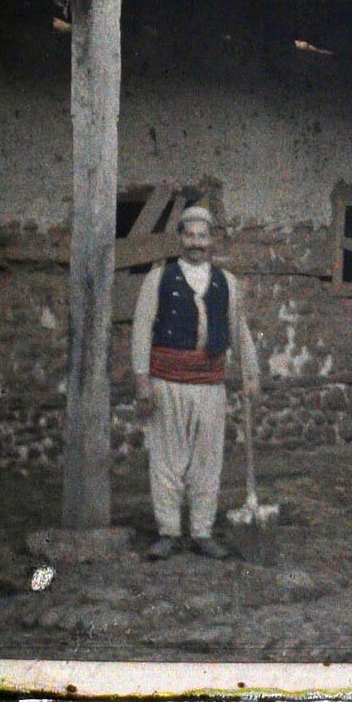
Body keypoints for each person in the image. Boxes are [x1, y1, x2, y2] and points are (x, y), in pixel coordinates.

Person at [130, 204, 260, 560]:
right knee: (167, 461)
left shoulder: (226, 282)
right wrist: (142, 381)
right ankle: (169, 532)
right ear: (180, 239)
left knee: (206, 462)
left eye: (203, 236)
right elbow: (141, 330)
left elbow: (240, 332)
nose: (196, 243)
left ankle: (202, 532)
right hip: (167, 381)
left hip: (210, 385)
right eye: (190, 235)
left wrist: (250, 375)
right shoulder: (159, 278)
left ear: (211, 240)